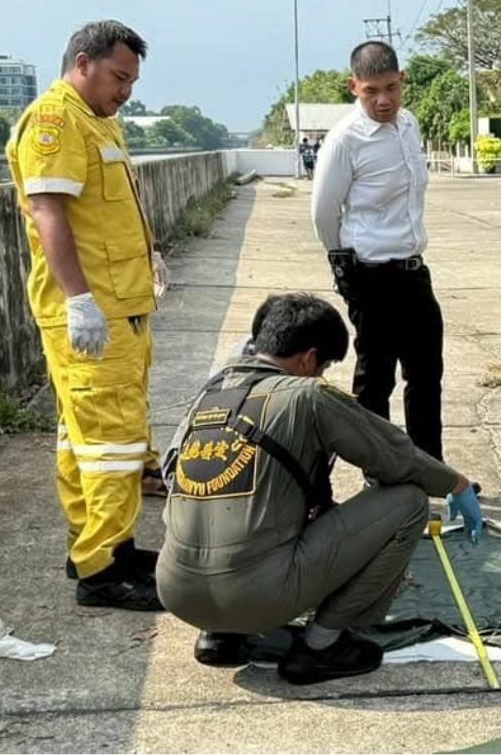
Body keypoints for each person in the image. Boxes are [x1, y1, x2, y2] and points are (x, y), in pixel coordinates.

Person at [156, 294, 484, 685]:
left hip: (177, 592)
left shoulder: (209, 394)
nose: (322, 376)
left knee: (243, 509)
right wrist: (456, 483)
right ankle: (320, 647)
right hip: (259, 596)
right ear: (309, 359)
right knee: (410, 502)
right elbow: (395, 457)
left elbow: (172, 474)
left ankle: (221, 635)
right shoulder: (307, 395)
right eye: (324, 367)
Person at [5, 20, 168, 612]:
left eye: (131, 80)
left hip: (121, 304)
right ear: (83, 63)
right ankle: (103, 571)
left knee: (87, 440)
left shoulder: (99, 122)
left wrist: (148, 257)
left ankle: (100, 548)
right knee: (113, 443)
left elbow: (106, 215)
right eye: (118, 76)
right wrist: (78, 299)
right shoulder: (55, 122)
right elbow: (48, 211)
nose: (125, 90)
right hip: (93, 309)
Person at [311, 41, 445, 461]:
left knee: (426, 374)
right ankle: (381, 471)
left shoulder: (409, 126)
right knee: (376, 378)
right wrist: (344, 268)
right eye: (371, 91)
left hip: (412, 269)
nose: (383, 100)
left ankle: (429, 468)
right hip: (369, 274)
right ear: (353, 87)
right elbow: (324, 211)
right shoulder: (344, 140)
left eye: (390, 87)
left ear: (402, 81)